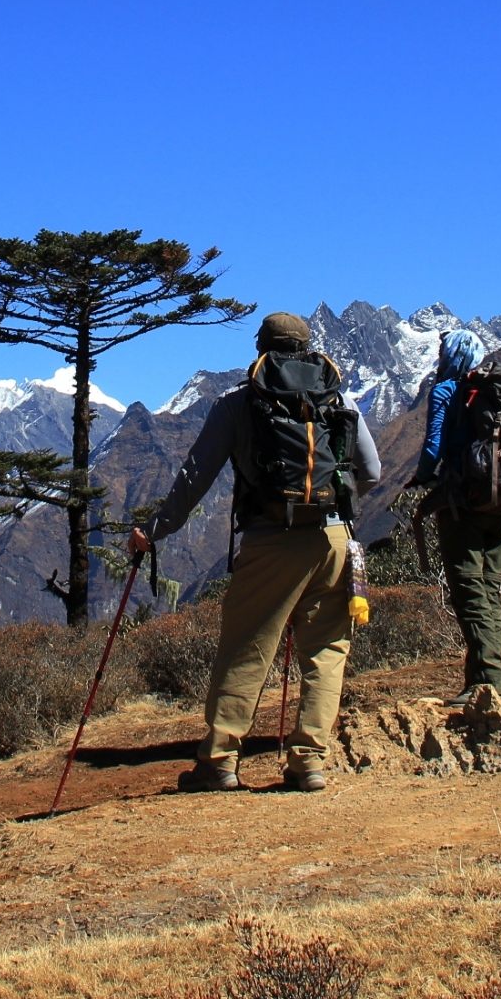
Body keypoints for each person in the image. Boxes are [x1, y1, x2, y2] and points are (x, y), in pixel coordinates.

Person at [127, 312, 380, 794]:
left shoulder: (239, 403)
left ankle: (220, 761)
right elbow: (371, 472)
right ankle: (309, 762)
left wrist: (154, 531)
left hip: (271, 540)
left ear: (261, 348)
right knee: (327, 651)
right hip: (335, 540)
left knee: (247, 647)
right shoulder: (338, 399)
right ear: (307, 347)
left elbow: (194, 477)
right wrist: (333, 504)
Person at [410, 329, 501, 706]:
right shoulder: (496, 391)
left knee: (468, 590)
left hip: (462, 503)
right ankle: (482, 677)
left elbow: (433, 448)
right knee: (488, 590)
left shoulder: (445, 390)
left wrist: (421, 478)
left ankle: (489, 683)